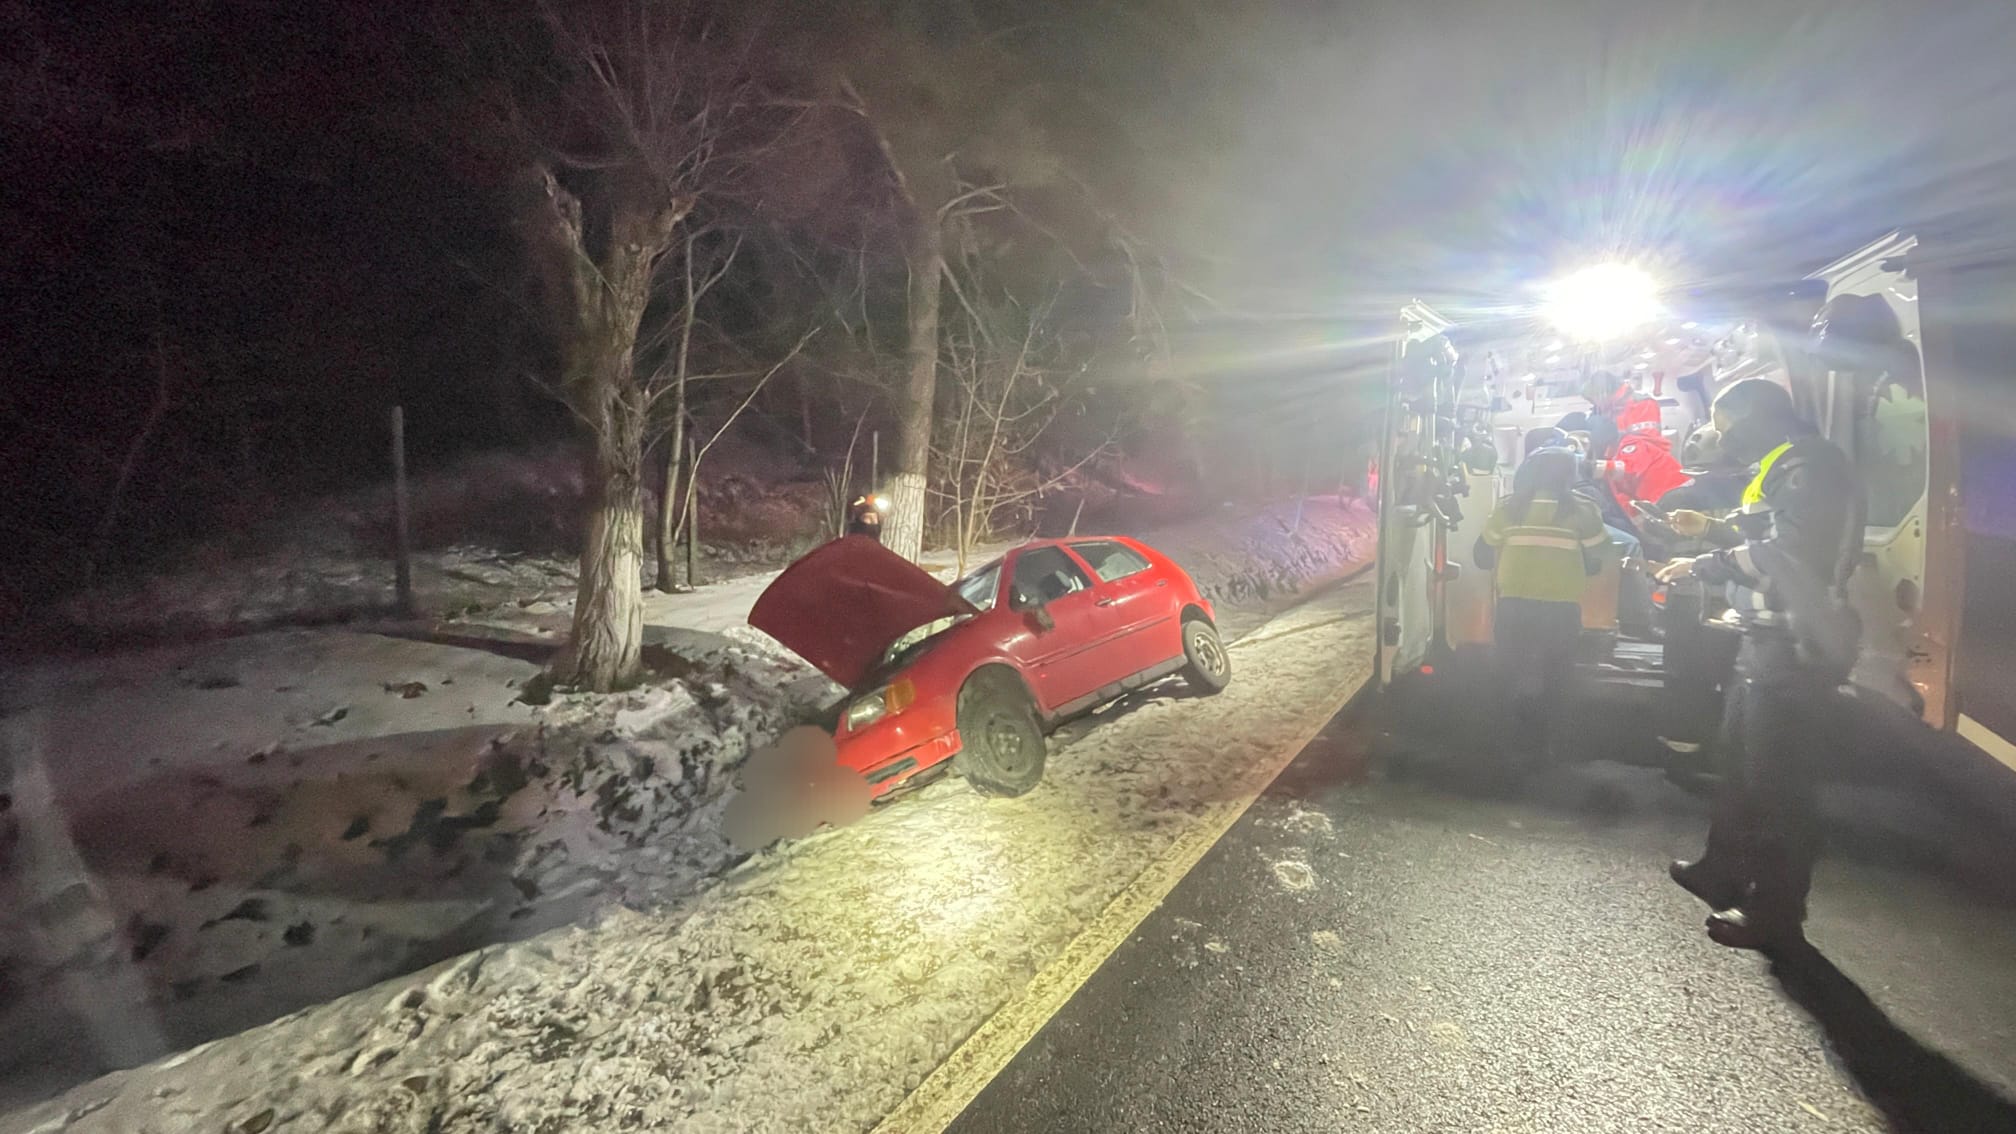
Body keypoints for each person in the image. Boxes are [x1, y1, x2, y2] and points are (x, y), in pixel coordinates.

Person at [1655, 377, 1860, 951]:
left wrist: (1703, 564)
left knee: (1779, 785)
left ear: (1755, 418)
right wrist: (1709, 529)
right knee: (1739, 766)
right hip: (1762, 642)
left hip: (1793, 647)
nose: (1722, 440)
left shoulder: (1808, 467)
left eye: (1725, 428)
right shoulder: (1782, 465)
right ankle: (1720, 870)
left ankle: (1775, 913)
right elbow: (1765, 530)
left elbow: (1789, 550)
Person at [1474, 448, 1609, 768]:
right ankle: (1547, 754)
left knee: (1508, 675)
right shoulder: (1583, 510)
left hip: (1513, 607)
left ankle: (1502, 751)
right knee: (1557, 679)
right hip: (1561, 611)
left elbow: (1481, 555)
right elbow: (1599, 559)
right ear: (1569, 476)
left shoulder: (1509, 508)